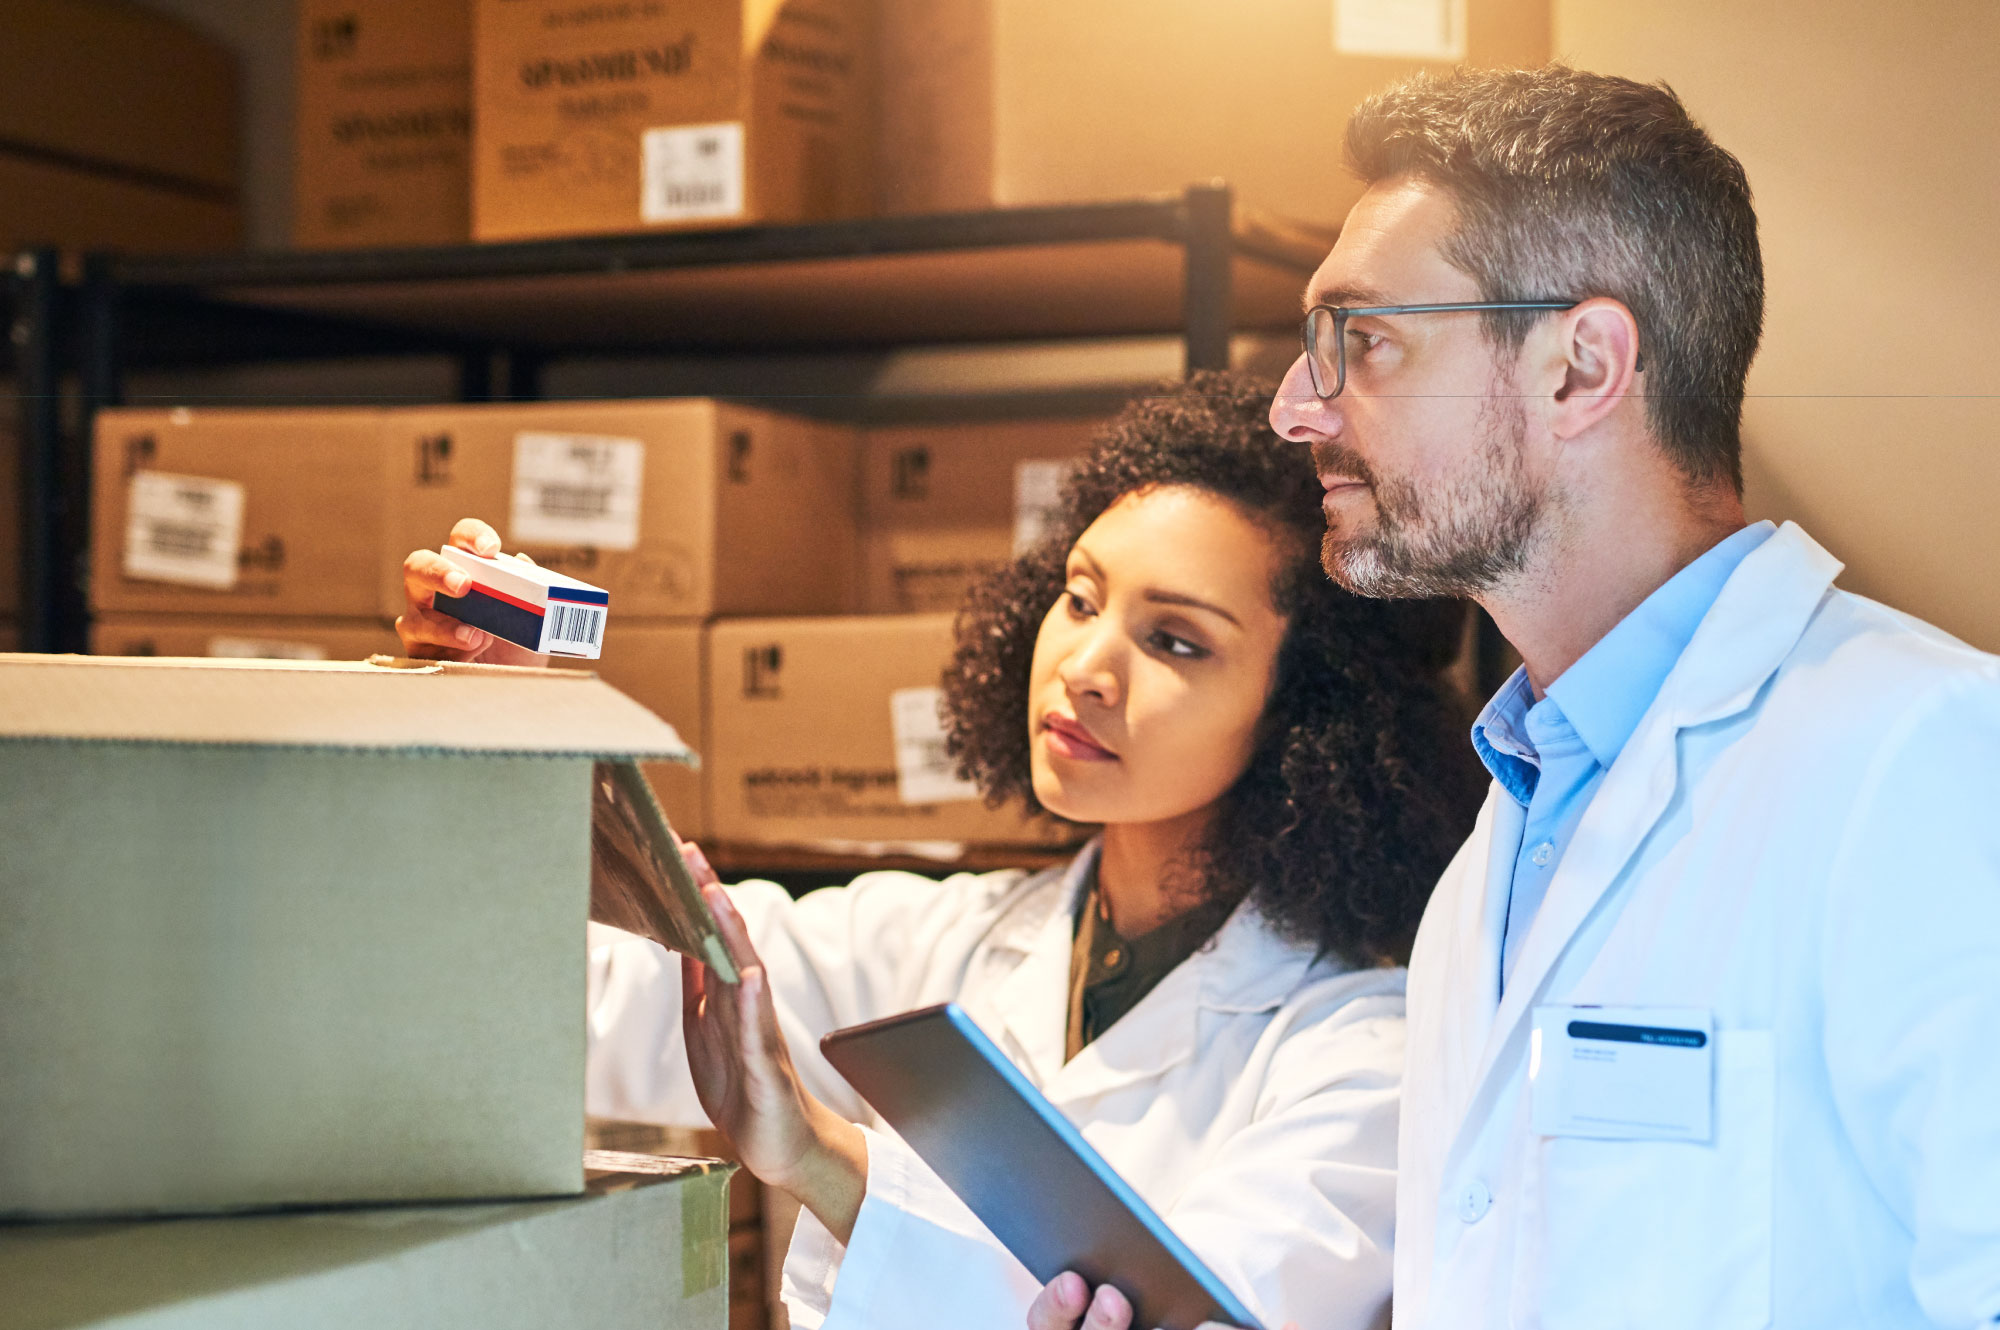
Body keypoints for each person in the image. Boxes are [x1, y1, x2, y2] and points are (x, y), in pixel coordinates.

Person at [394, 373, 1486, 1330]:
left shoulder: (1366, 1046)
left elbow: (1192, 1310)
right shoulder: (947, 941)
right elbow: (588, 998)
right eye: (1079, 597)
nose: (1085, 667)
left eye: (1174, 640)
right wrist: (491, 720)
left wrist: (824, 1157)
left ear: (1311, 716)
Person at [1251, 64, 1995, 1330]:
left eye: (1361, 341)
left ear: (1579, 365)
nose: (1290, 407)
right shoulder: (1498, 848)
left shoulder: (1929, 755)